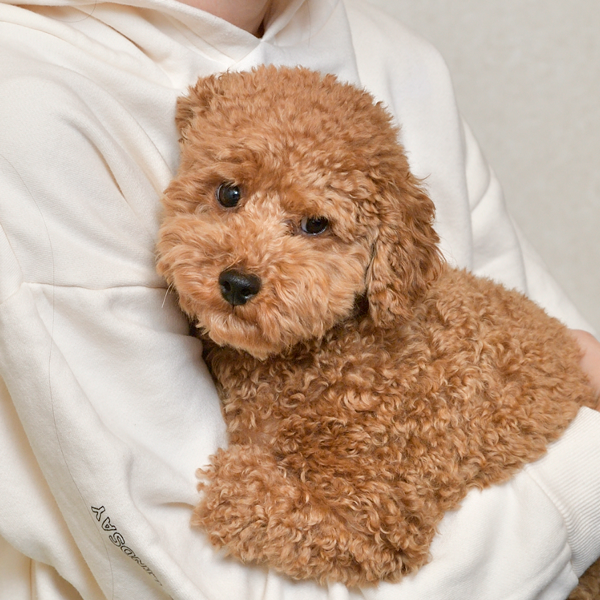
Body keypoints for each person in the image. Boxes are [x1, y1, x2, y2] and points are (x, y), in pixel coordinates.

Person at [1, 0, 599, 598]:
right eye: (230, 195)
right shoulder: (31, 109)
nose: (245, 265)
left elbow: (577, 364)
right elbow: (200, 579)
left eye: (314, 226)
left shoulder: (399, 57)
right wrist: (581, 483)